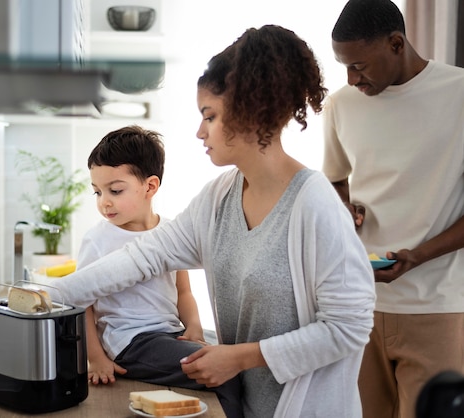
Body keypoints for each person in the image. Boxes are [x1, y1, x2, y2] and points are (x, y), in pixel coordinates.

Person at [50, 25, 375, 417]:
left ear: (252, 112)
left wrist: (240, 357)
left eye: (210, 116)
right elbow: (143, 257)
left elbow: (349, 328)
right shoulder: (220, 197)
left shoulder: (316, 205)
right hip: (249, 405)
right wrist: (48, 298)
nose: (200, 131)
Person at [322, 1, 464, 417]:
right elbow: (335, 179)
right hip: (357, 302)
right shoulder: (341, 104)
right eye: (344, 67)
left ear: (397, 44)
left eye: (360, 66)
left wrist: (418, 256)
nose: (352, 79)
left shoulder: (459, 93)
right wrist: (344, 208)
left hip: (437, 306)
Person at [79, 125, 243, 418]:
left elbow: (183, 291)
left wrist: (193, 326)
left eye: (115, 190)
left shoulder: (170, 232)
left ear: (150, 186)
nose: (104, 201)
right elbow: (83, 304)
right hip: (130, 342)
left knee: (234, 357)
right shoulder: (97, 240)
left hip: (169, 333)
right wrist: (96, 358)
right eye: (98, 191)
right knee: (225, 372)